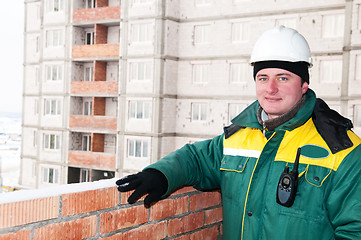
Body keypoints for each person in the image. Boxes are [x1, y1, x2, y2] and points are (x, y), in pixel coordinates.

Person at [116, 26, 361, 239]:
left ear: (304, 85)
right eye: (263, 78)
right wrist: (161, 175)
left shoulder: (343, 150)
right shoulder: (239, 137)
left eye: (283, 78)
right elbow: (197, 158)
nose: (271, 88)